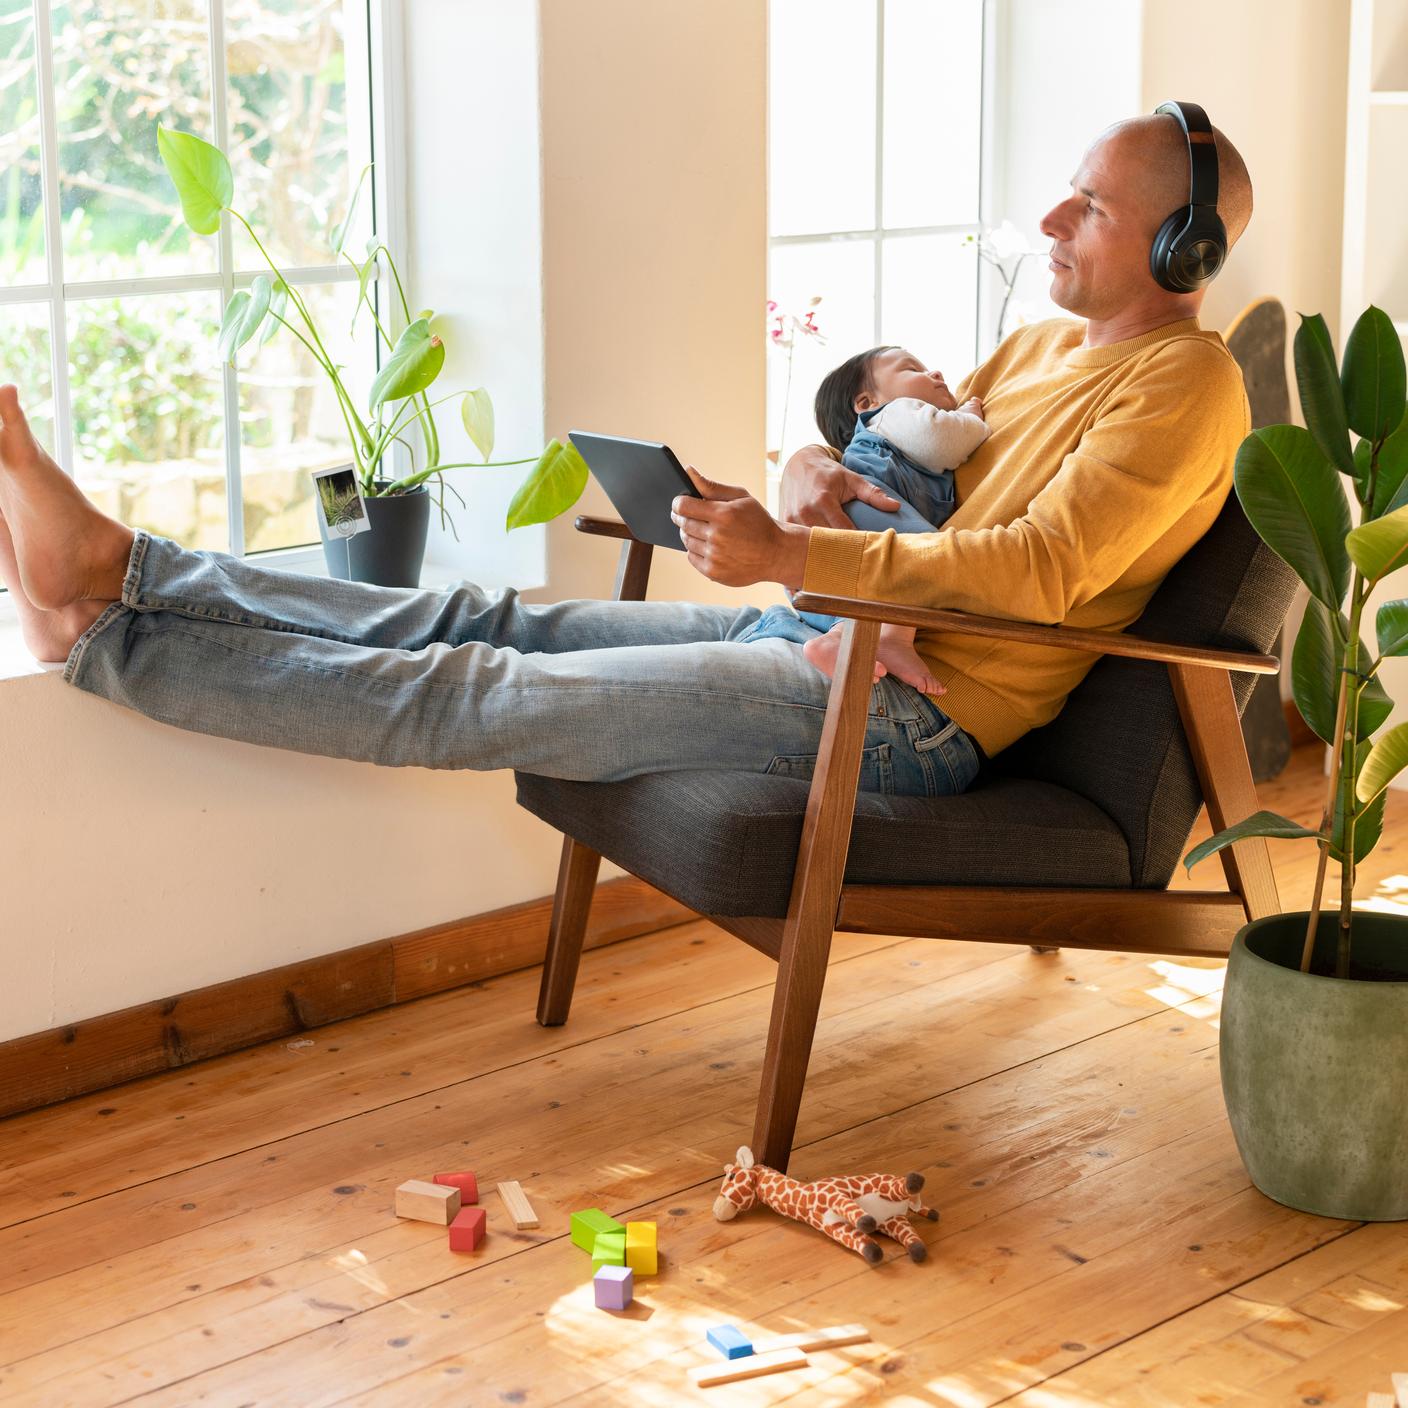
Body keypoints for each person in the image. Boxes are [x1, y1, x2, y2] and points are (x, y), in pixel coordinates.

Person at [0, 109, 1254, 803]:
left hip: (904, 715)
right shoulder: (1034, 347)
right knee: (478, 615)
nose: (1047, 217)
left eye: (1087, 204)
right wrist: (812, 470)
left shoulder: (1186, 385)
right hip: (818, 637)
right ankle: (127, 567)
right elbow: (909, 470)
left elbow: (1037, 570)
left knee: (482, 695)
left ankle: (97, 632)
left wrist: (788, 546)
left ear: (1183, 249)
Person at [736, 345, 988, 695]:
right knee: (923, 560)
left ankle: (842, 637)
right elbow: (942, 439)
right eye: (913, 368)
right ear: (867, 403)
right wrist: (971, 416)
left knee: (882, 584)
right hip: (868, 507)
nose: (936, 374)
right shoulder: (892, 415)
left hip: (831, 561)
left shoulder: (892, 424)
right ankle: (888, 640)